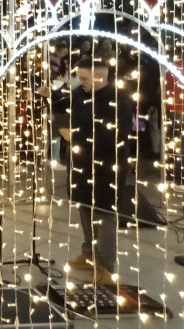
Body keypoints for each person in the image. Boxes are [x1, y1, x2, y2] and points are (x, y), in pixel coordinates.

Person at [62, 56, 130, 284]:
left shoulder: (119, 99)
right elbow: (64, 107)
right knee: (85, 208)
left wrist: (77, 137)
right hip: (81, 163)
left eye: (84, 78)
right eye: (78, 77)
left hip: (106, 169)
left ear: (100, 76)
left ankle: (105, 268)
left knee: (104, 214)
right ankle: (89, 254)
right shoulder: (81, 93)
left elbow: (113, 135)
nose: (79, 82)